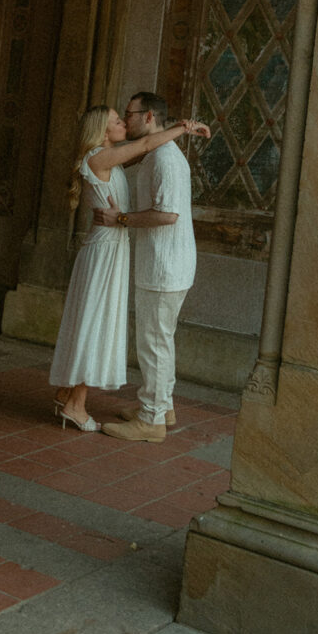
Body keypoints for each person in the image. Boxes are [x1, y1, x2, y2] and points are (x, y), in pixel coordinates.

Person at [49, 104, 200, 432]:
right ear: (103, 129)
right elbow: (145, 145)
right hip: (105, 250)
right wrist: (183, 127)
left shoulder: (107, 155)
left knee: (94, 321)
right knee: (95, 322)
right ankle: (75, 405)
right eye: (117, 121)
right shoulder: (98, 158)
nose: (123, 124)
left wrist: (167, 134)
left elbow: (144, 149)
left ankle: (68, 393)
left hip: (111, 247)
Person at [93, 92, 210, 443]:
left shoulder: (165, 160)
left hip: (165, 266)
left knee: (154, 343)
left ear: (148, 118)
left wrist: (120, 218)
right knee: (159, 340)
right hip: (163, 263)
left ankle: (151, 421)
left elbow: (167, 215)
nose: (125, 120)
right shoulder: (156, 152)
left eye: (130, 114)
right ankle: (162, 406)